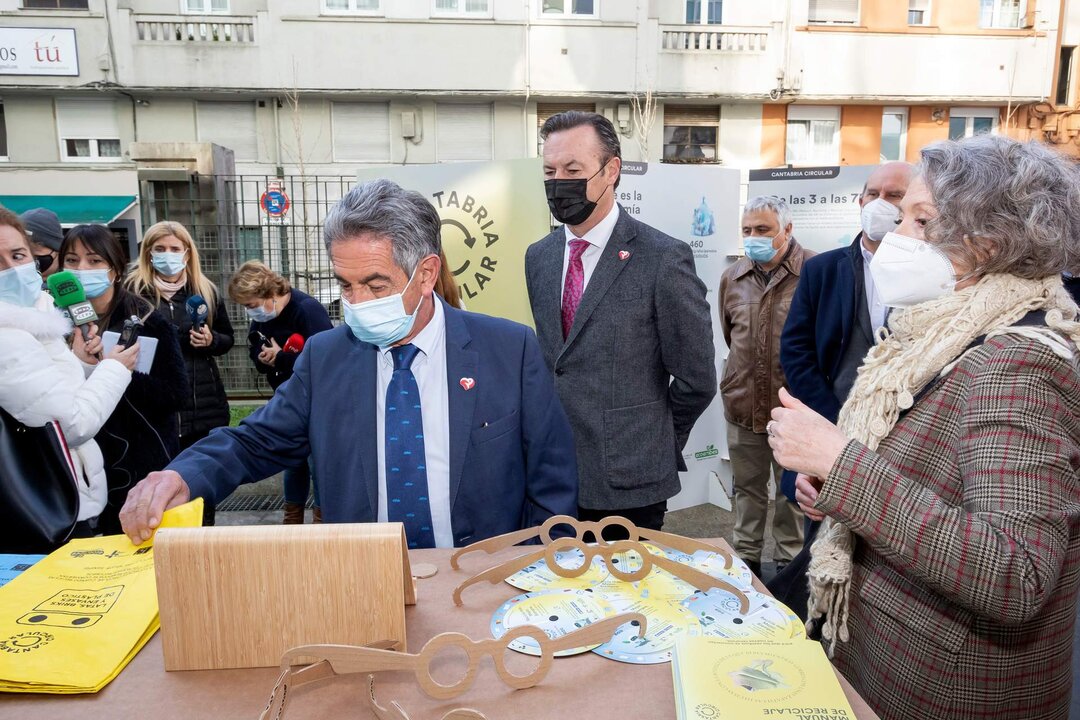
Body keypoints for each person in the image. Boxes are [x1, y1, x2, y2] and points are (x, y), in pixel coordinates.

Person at [770, 135, 1080, 720]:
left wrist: (842, 466)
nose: (894, 234)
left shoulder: (1018, 365)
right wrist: (834, 491)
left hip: (948, 688)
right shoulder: (943, 337)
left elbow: (1015, 571)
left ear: (985, 241)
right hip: (888, 660)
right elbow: (935, 478)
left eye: (920, 219)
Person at [120, 179, 579, 549]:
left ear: (426, 274)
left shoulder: (509, 350)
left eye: (376, 286)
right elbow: (253, 443)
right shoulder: (326, 358)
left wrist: (541, 572)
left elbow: (552, 482)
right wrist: (182, 475)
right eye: (345, 285)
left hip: (484, 588)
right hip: (361, 587)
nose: (356, 304)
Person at [524, 110, 715, 534]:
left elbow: (696, 378)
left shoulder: (662, 258)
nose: (558, 183)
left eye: (573, 169)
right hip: (552, 479)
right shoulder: (539, 256)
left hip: (631, 485)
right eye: (550, 171)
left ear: (611, 170)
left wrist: (650, 440)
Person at [770, 162, 913, 616]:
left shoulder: (933, 274)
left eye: (894, 196)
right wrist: (831, 419)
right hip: (829, 426)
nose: (879, 204)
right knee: (822, 539)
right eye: (872, 193)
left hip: (900, 437)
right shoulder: (824, 270)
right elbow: (795, 350)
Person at [0, 208, 138, 538]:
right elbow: (70, 426)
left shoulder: (37, 317)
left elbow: (47, 395)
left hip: (68, 496)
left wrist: (84, 365)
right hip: (44, 506)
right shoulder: (9, 338)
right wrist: (114, 369)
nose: (11, 270)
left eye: (18, 255)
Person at [60, 224, 188, 535]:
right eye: (72, 261)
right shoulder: (53, 322)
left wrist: (119, 372)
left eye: (93, 261)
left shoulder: (146, 320)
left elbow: (175, 393)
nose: (81, 270)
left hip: (137, 464)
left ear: (115, 270)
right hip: (79, 470)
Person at [718, 195, 812, 578]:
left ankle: (790, 567)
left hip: (795, 412)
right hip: (743, 406)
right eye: (747, 231)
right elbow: (730, 336)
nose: (753, 237)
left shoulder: (814, 272)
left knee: (792, 495)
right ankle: (746, 565)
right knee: (747, 490)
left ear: (787, 230)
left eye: (763, 230)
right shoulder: (733, 278)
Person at [127, 221, 234, 526]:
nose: (167, 255)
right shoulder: (134, 293)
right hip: (155, 409)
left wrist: (211, 341)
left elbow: (227, 338)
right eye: (160, 249)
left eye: (175, 249)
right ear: (148, 253)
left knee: (200, 490)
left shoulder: (204, 291)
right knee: (156, 492)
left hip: (203, 407)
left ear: (187, 254)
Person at [228, 260, 333, 524]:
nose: (251, 312)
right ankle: (292, 518)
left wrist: (283, 359)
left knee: (316, 463)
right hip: (286, 399)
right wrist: (262, 357)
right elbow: (255, 345)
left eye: (252, 305)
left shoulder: (307, 310)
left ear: (269, 295)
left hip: (317, 401)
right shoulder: (265, 317)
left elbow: (326, 360)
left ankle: (322, 521)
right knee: (292, 460)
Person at [20, 207, 63, 280]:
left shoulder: (74, 285)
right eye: (19, 251)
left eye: (34, 248)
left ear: (58, 251)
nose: (29, 257)